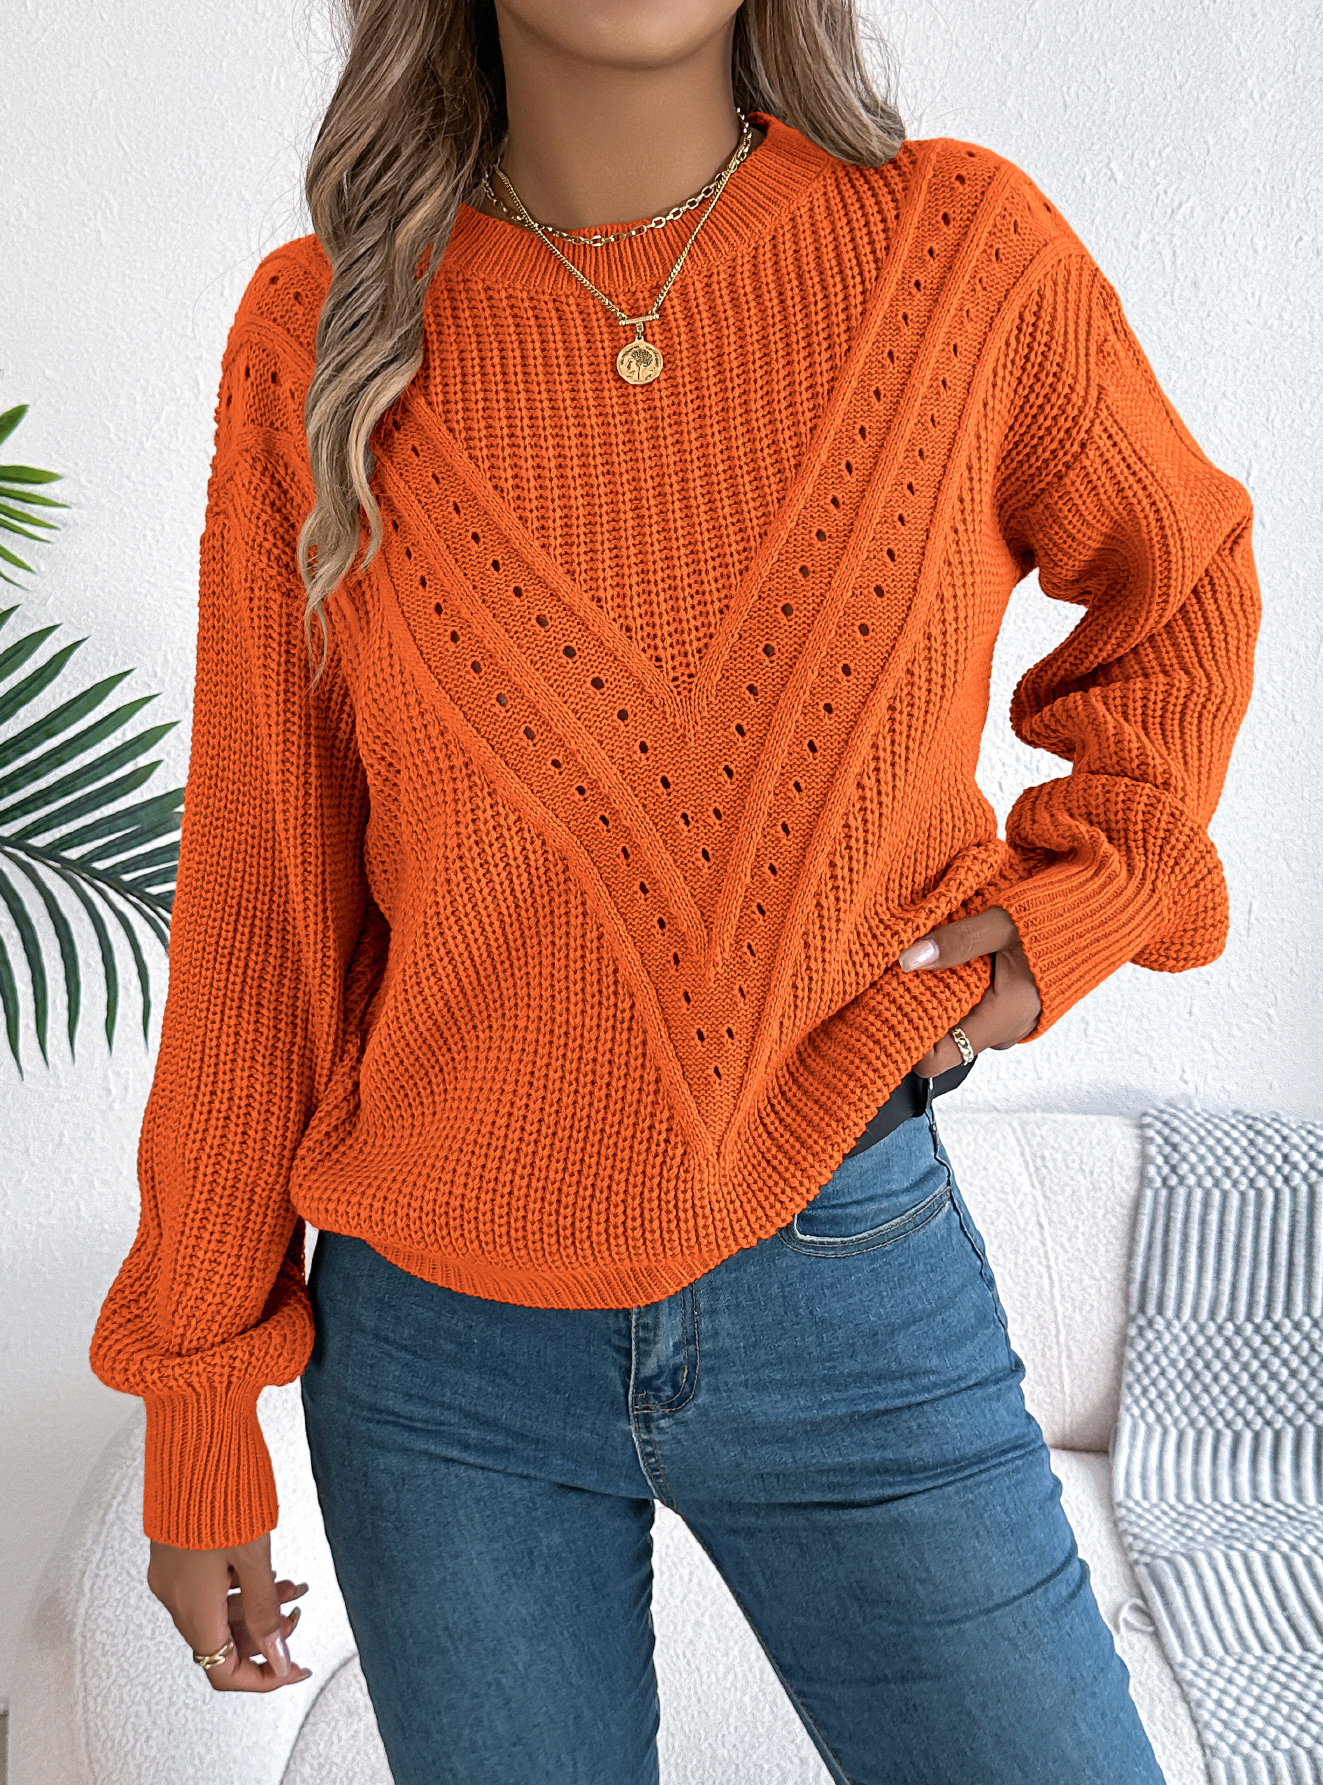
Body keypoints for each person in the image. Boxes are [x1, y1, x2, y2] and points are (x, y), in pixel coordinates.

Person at [89, 2, 1260, 1780]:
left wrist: (1067, 916)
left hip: (848, 1271)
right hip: (435, 1356)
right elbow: (263, 897)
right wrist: (197, 1396)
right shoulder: (318, 330)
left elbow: (1181, 587)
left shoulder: (960, 252)